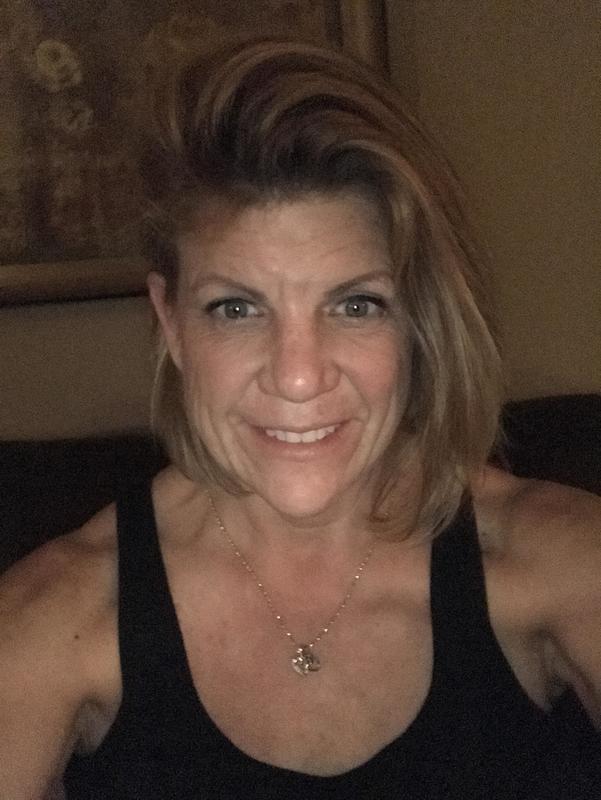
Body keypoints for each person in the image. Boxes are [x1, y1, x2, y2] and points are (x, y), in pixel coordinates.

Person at [1, 38, 599, 800]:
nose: (297, 375)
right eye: (236, 309)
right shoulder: (53, 623)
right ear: (172, 324)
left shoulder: (561, 565)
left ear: (414, 322)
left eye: (354, 305)